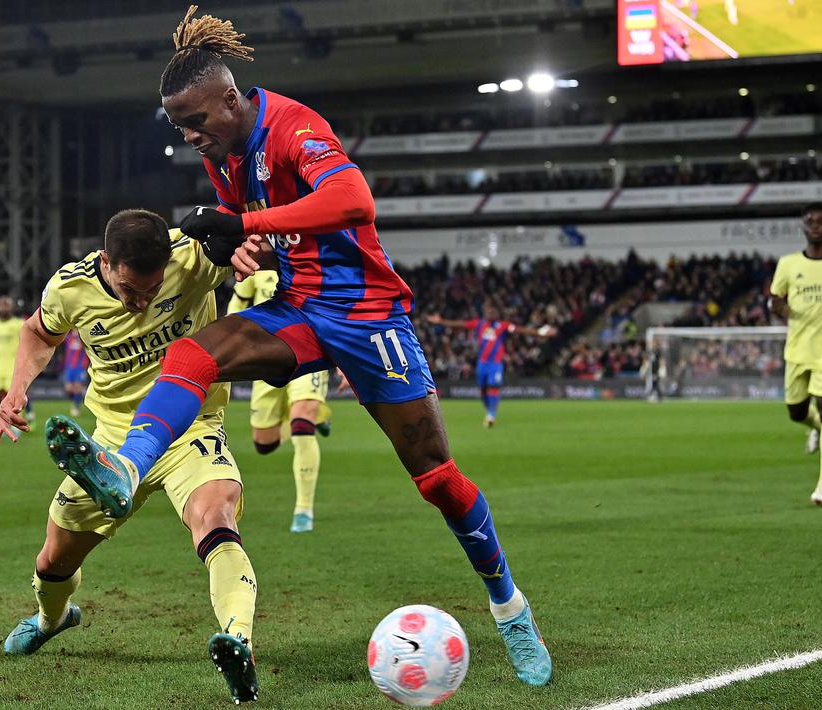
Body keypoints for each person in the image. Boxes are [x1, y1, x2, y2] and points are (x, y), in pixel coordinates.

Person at [41, 6, 553, 699]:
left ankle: (510, 610)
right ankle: (126, 468)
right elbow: (266, 237)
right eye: (180, 127)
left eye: (198, 121)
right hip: (299, 308)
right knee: (194, 354)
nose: (191, 136)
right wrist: (245, 244)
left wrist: (247, 223)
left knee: (436, 478)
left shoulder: (291, 125)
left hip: (369, 315)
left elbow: (352, 200)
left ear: (231, 97)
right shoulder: (224, 155)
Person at [0, 209, 260, 703]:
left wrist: (253, 250)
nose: (140, 305)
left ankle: (238, 641)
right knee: (53, 560)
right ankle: (53, 619)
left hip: (190, 429)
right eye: (129, 292)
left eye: (152, 292)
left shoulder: (193, 256)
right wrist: (17, 391)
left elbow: (257, 235)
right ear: (106, 262)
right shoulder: (70, 288)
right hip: (112, 442)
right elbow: (37, 333)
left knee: (216, 516)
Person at [227, 271, 332, 533]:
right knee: (264, 442)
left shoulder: (307, 260)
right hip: (266, 357)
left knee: (301, 426)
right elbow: (238, 303)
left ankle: (303, 510)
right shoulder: (256, 262)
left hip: (309, 353)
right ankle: (316, 415)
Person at [769, 202, 822, 506]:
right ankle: (813, 428)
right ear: (803, 227)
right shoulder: (788, 264)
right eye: (810, 221)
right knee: (796, 412)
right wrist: (782, 308)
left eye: (821, 221)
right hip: (798, 349)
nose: (816, 225)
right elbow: (775, 299)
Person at [426, 305, 556, 427]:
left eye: (493, 312)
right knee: (483, 390)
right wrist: (441, 321)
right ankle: (489, 410)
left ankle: (491, 415)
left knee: (493, 386)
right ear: (485, 314)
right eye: (489, 312)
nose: (491, 314)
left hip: (495, 363)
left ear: (497, 314)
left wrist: (540, 333)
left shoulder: (503, 326)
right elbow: (461, 324)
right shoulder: (479, 324)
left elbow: (521, 330)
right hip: (482, 363)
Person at [0, 295, 32, 422]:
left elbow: (28, 342)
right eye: (2, 306)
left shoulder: (19, 324)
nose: (4, 309)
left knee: (13, 397)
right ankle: (26, 413)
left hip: (14, 365)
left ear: (11, 308)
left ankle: (16, 423)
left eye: (7, 306)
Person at [62, 331, 90, 417]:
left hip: (80, 367)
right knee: (68, 388)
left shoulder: (82, 337)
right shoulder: (69, 337)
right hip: (69, 366)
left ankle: (76, 407)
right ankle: (80, 396)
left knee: (77, 387)